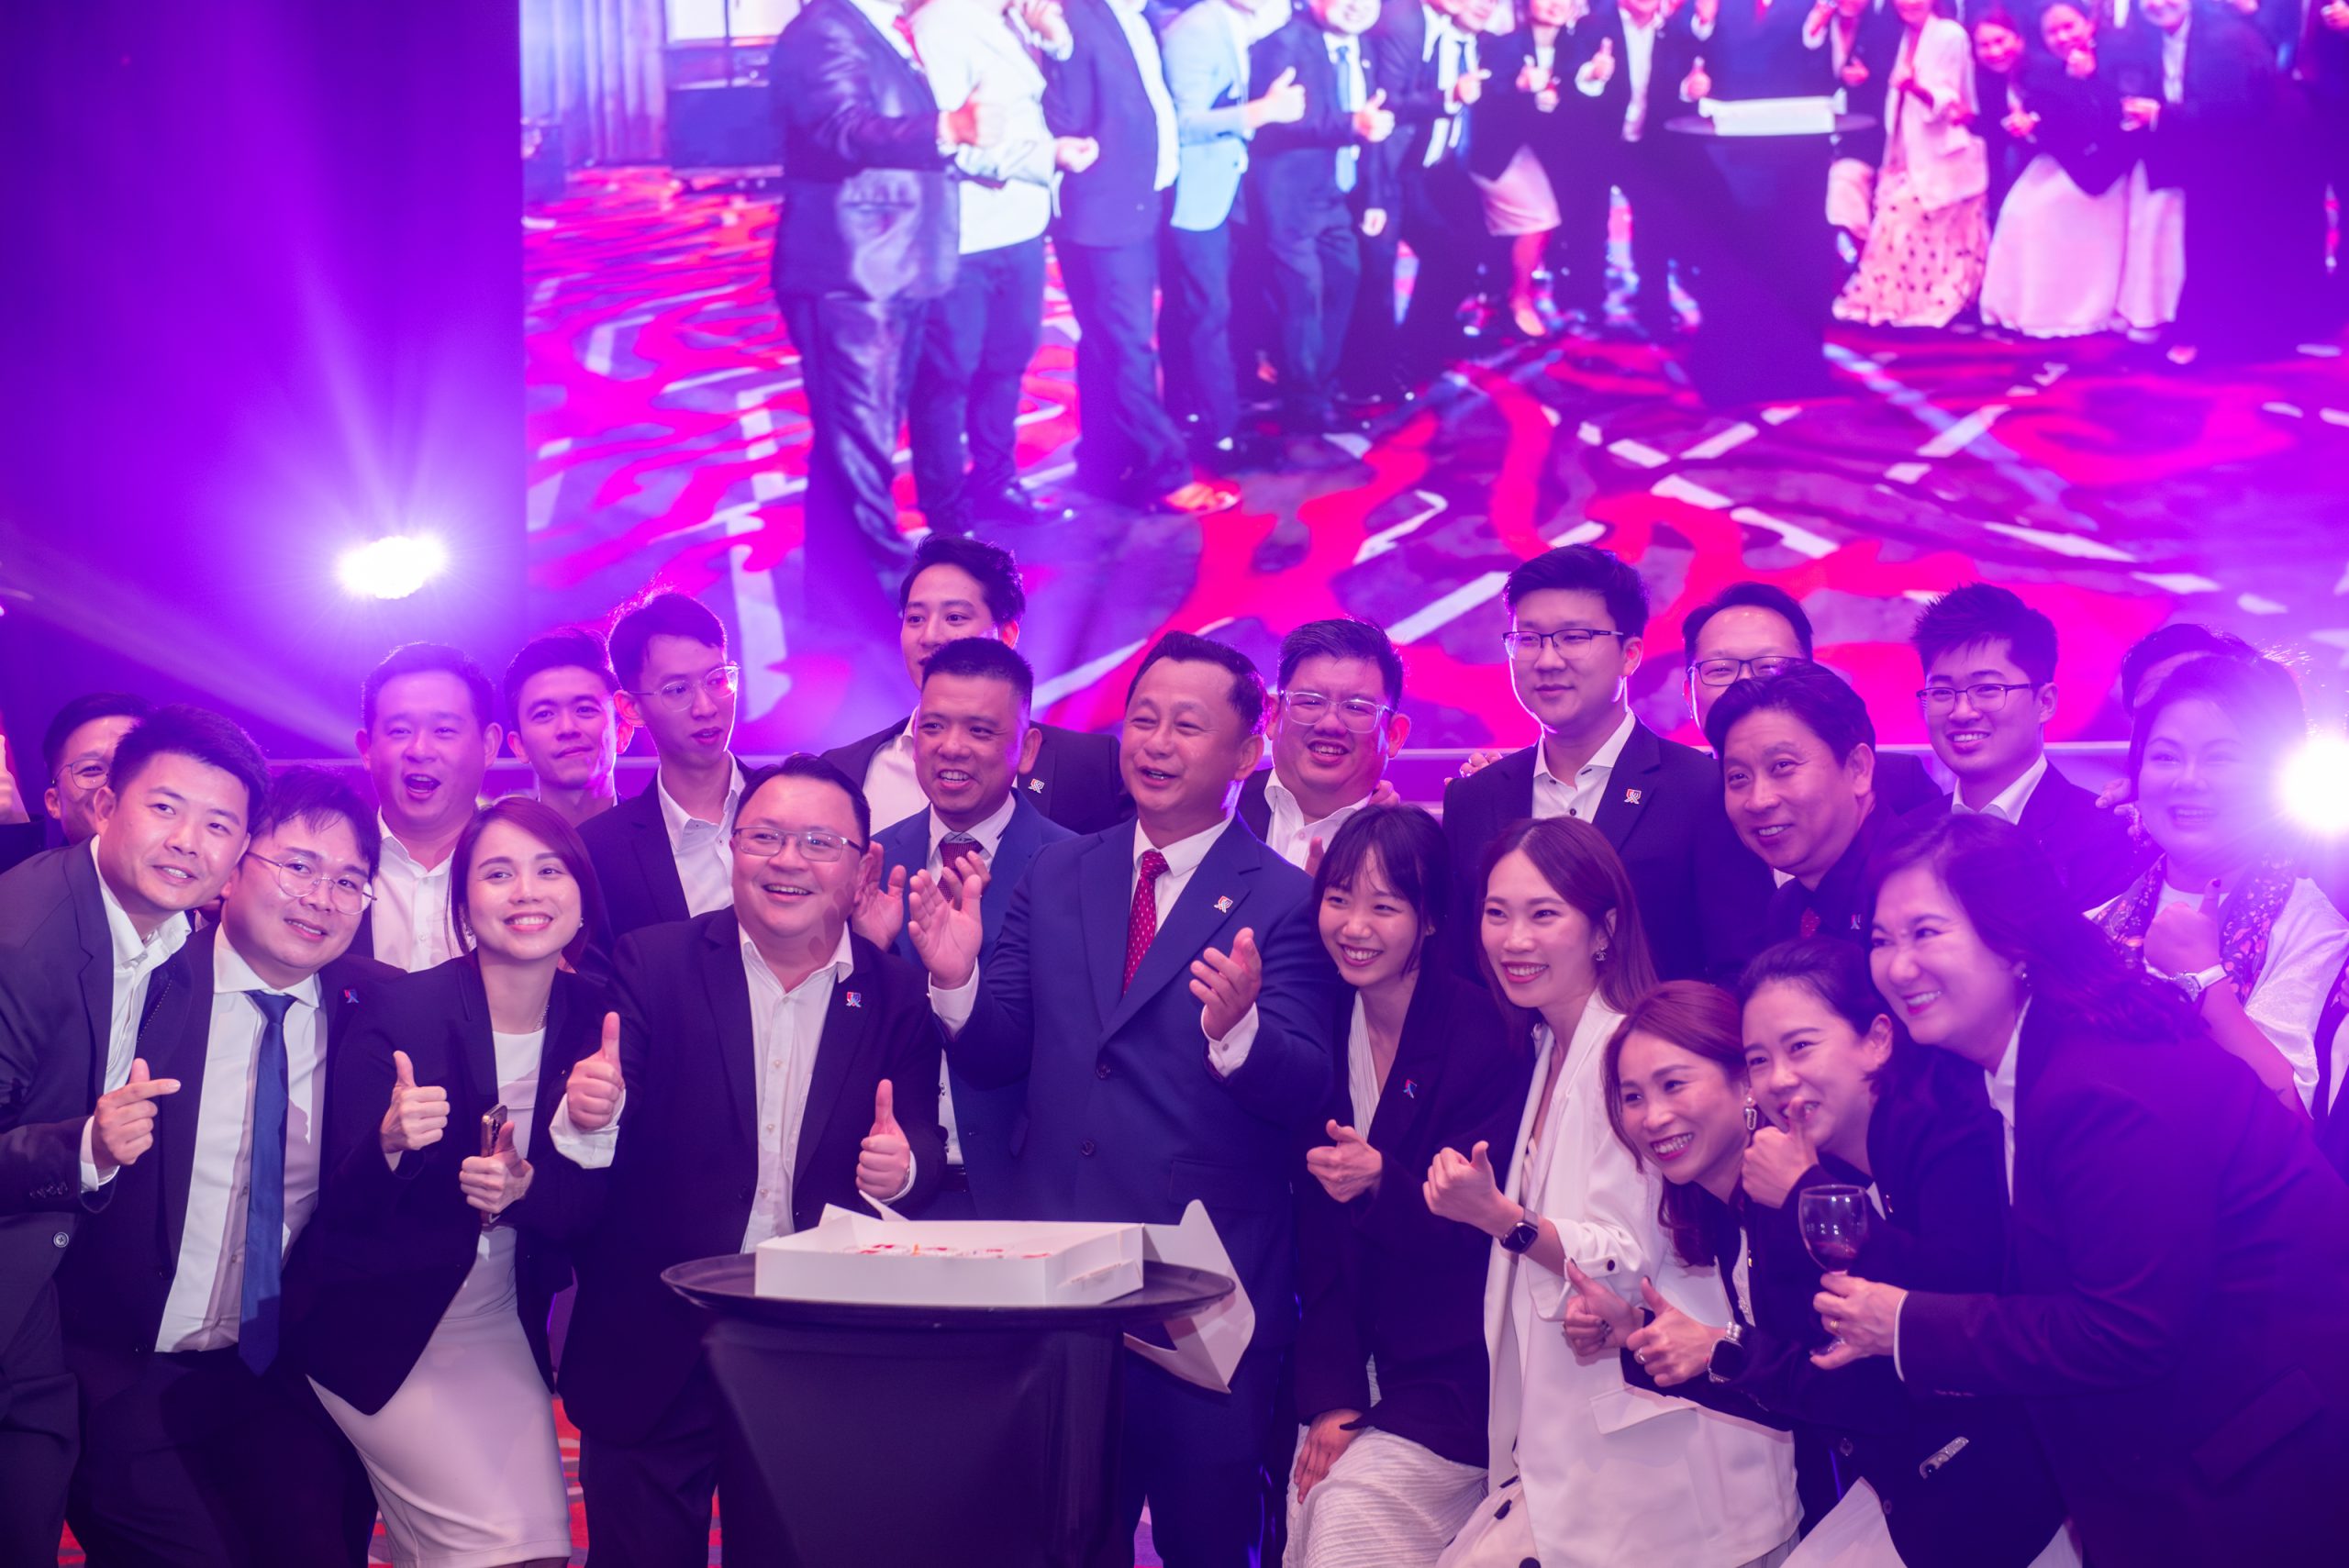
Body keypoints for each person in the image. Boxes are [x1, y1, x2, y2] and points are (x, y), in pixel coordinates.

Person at [907, 630, 1339, 1564]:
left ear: (1246, 750)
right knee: (1057, 1539)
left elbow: (1310, 1083)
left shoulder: (1286, 898)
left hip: (1202, 1296)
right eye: (1142, 719)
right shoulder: (1058, 870)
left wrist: (1240, 1032)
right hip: (1058, 1279)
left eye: (1187, 724)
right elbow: (999, 1052)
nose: (1156, 743)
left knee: (1208, 1540)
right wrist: (956, 980)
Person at [1828, 813, 2349, 1562]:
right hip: (2192, 1461)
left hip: (2261, 1474)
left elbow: (2126, 1326)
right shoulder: (2015, 1064)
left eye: (1926, 933)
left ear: (2013, 940)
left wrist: (1907, 1324)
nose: (1898, 966)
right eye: (1882, 939)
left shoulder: (2102, 1085)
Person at [551, 756, 946, 1562]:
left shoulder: (897, 992)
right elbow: (610, 1101)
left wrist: (902, 1170)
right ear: (733, 848)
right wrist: (590, 1110)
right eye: (764, 836)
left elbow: (921, 1147)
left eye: (818, 842)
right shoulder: (654, 962)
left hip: (814, 1349)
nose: (787, 859)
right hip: (656, 1335)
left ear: (862, 867)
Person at [1585, 951, 2068, 1567]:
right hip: (1922, 1495)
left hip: (1990, 1496)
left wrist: (1724, 1347)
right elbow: (1798, 1383)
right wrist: (1648, 1335)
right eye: (1632, 1096)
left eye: (1674, 1084)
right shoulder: (1742, 1212)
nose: (1653, 1116)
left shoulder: (1830, 1183)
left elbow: (1881, 1384)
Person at [1427, 817, 1796, 1566]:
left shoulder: (1631, 1054)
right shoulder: (1545, 1046)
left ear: (1604, 929)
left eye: (1543, 913)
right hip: (1585, 1453)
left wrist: (1502, 1217)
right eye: (1497, 913)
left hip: (1669, 1465)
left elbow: (1628, 1255)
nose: (1514, 939)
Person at [59, 767, 393, 1567]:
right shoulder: (141, 989)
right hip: (131, 1375)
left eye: (349, 881)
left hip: (291, 1380)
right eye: (299, 866)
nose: (321, 898)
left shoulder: (381, 1011)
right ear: (235, 864)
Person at [284, 799, 614, 1568]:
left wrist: (528, 1188)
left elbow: (591, 1213)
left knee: (523, 1544)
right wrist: (390, 1142)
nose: (526, 891)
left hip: (498, 1318)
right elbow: (341, 1205)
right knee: (512, 1551)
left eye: (548, 870)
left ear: (581, 897)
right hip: (378, 1321)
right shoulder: (402, 1010)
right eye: (498, 873)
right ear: (464, 907)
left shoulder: (598, 1021)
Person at [0, 705, 268, 1564]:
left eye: (218, 824)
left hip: (39, 1279)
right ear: (106, 804)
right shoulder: (23, 940)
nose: (188, 841)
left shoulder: (170, 938)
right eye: (165, 807)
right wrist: (85, 1149)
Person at [1284, 806, 1523, 1566]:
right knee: (1308, 1499)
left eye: (1384, 906)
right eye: (1339, 898)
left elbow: (1480, 1237)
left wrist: (1384, 1180)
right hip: (1348, 1355)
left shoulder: (1486, 1034)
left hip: (1455, 1370)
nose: (1355, 926)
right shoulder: (1320, 1022)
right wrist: (1333, 1396)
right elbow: (1315, 1243)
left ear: (1430, 918)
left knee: (1346, 1511)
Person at [1442, 545, 1771, 984]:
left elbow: (1741, 969)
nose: (1547, 660)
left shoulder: (1702, 789)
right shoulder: (1475, 798)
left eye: (1574, 637)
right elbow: (1460, 971)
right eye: (1529, 639)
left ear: (1629, 655)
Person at [771, 0, 994, 574]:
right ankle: (876, 592)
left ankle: (839, 589)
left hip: (891, 263)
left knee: (853, 440)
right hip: (852, 271)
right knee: (861, 444)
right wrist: (946, 127)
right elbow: (839, 128)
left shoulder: (880, 29)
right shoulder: (825, 29)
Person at [859, 637, 1075, 1218]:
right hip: (884, 1190)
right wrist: (865, 954)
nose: (951, 748)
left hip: (1026, 1197)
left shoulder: (1077, 870)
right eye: (932, 727)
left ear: (1027, 748)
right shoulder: (873, 861)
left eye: (980, 731)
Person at [2087, 654, 2349, 1111]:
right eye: (2166, 756)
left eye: (2221, 758)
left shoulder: (2315, 931)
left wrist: (2204, 980)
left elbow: (2292, 1121)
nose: (2189, 780)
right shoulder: (2093, 926)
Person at [1045, 0, 1241, 516]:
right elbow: (1063, 119)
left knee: (1107, 341)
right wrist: (1056, 47)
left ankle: (1103, 461)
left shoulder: (1138, 16)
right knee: (1126, 344)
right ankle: (1165, 473)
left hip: (1138, 200)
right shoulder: (1074, 17)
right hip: (1103, 209)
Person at [907, 0, 1092, 533]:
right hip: (965, 234)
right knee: (947, 377)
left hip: (1021, 223)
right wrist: (1045, 159)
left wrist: (1054, 38)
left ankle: (995, 482)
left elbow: (1045, 105)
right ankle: (946, 510)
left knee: (1007, 363)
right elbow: (950, 139)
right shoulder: (940, 23)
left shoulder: (1011, 20)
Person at [821, 535, 1130, 835]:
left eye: (954, 617)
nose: (929, 636)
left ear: (1006, 635)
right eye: (915, 619)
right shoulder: (845, 770)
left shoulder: (1088, 765)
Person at [1909, 583, 2143, 905]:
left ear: (2045, 702)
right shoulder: (1907, 836)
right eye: (1942, 692)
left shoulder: (2105, 838)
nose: (1961, 712)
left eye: (1987, 689)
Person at [2123, 0, 2317, 364]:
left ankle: (2215, 340)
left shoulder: (2228, 36)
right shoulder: (2145, 41)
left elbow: (2237, 109)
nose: (2156, 4)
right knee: (2199, 238)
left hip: (2253, 156)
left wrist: (2163, 115)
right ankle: (2197, 329)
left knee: (2222, 242)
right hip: (2200, 151)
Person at [1247, 0, 1397, 437]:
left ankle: (1320, 389)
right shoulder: (1283, 43)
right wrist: (1352, 124)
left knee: (1343, 281)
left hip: (1335, 196)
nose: (1357, 6)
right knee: (1301, 300)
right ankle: (1304, 409)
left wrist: (1374, 197)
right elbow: (1279, 120)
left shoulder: (1364, 47)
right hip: (1288, 198)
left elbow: (1374, 125)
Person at [1161, 0, 1298, 468]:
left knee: (1198, 308)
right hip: (1195, 194)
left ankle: (1189, 411)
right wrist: (1260, 112)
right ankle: (1217, 434)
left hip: (1221, 185)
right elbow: (1182, 123)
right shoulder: (1196, 30)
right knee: (1206, 312)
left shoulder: (1236, 22)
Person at [1679, 579, 1943, 814]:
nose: (1745, 684)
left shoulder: (1897, 783)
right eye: (1721, 669)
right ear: (1689, 695)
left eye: (1769, 666)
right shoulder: (1675, 798)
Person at [577, 591, 744, 956]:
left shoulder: (793, 803)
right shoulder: (600, 851)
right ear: (630, 708)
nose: (705, 707)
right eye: (677, 690)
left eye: (717, 680)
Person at [1979, 3, 2140, 339]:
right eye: (2053, 32)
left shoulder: (2118, 56)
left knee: (2044, 210)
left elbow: (2109, 120)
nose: (2063, 37)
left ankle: (2071, 308)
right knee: (2019, 210)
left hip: (2110, 165)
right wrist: (2032, 124)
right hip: (2065, 160)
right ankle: (2020, 306)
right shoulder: (2047, 70)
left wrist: (2086, 80)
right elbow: (2051, 119)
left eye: (2069, 27)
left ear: (2089, 23)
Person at [1831, 0, 1989, 328]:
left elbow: (1952, 99)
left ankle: (1928, 303)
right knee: (1886, 219)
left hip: (1944, 155)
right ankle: (1895, 304)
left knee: (1902, 216)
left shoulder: (1949, 35)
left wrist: (1915, 88)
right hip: (1903, 153)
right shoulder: (1900, 35)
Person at [1707, 663, 1888, 946]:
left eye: (1782, 766)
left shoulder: (1919, 890)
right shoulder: (1786, 907)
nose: (1759, 801)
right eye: (1738, 777)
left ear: (1858, 769)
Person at [352, 644, 505, 973]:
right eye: (400, 731)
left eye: (444, 730)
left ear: (489, 746)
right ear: (367, 750)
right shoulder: (328, 862)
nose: (420, 750)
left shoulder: (529, 867)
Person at [1566, 0, 1703, 339]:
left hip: (1647, 146)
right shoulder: (1592, 26)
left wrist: (1688, 91)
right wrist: (1592, 76)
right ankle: (1590, 304)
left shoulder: (1675, 32)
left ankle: (1655, 305)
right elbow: (1569, 83)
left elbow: (1679, 88)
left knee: (1655, 225)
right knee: (1590, 224)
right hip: (1597, 142)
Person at [1235, 617, 1409, 870]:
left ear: (1393, 735)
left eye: (1356, 707)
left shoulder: (1414, 852)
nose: (1330, 724)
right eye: (1311, 701)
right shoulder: (1211, 810)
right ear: (1272, 716)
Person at [1467, 0, 1575, 338]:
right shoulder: (1504, 45)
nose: (1557, 3)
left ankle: (1502, 293)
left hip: (1541, 153)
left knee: (1546, 218)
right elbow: (1482, 102)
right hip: (1496, 152)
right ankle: (1519, 301)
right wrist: (1519, 88)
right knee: (1539, 219)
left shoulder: (1576, 46)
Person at [500, 628, 632, 828]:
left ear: (622, 733)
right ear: (519, 746)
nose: (567, 728)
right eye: (544, 714)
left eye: (585, 709)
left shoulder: (667, 838)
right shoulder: (499, 844)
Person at [40, 692, 155, 847]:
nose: (116, 783)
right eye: (93, 768)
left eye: (133, 765)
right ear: (55, 802)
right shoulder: (34, 864)